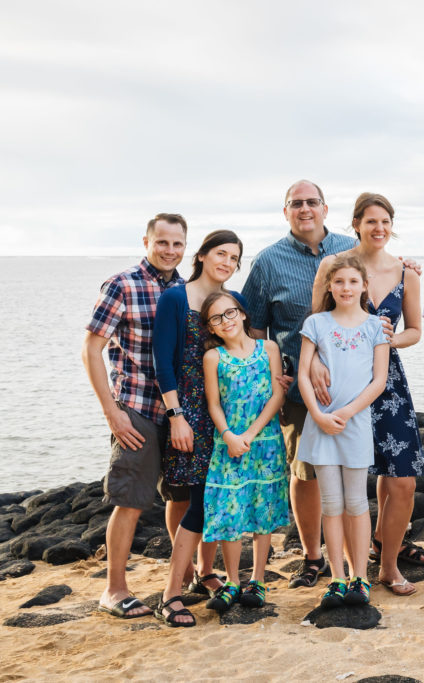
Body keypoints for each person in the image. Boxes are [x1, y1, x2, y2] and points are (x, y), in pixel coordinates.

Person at [312, 193, 424, 597]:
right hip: (340, 383)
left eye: (385, 222)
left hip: (388, 381)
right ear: (356, 224)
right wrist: (313, 366)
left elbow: (416, 329)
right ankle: (349, 572)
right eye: (370, 222)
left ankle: (390, 565)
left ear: (392, 225)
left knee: (401, 482)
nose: (378, 228)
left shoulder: (406, 272)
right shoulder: (334, 266)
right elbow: (315, 321)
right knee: (350, 483)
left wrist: (385, 342)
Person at [242, 180, 356, 589]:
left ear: (326, 207)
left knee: (353, 469)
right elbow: (254, 330)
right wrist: (273, 373)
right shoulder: (268, 261)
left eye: (312, 202)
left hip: (354, 384)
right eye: (296, 204)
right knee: (305, 472)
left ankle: (352, 555)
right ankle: (312, 557)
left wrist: (409, 268)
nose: (304, 209)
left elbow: (381, 285)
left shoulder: (351, 247)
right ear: (285, 212)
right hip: (298, 390)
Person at [83, 213, 187, 618]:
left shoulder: (184, 288)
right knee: (129, 501)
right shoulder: (122, 284)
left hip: (178, 411)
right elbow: (91, 349)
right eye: (162, 243)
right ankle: (114, 589)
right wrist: (111, 411)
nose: (170, 251)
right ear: (146, 242)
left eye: (177, 244)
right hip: (137, 407)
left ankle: (184, 578)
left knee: (179, 497)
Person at [153, 230, 244, 625]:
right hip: (187, 413)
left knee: (212, 501)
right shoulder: (175, 297)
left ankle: (203, 575)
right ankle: (170, 595)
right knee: (196, 502)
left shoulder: (232, 303)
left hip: (224, 416)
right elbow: (163, 363)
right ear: (203, 255)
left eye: (235, 258)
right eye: (221, 253)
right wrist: (176, 417)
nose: (227, 262)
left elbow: (246, 350)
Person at [297, 254, 390, 608]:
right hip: (320, 425)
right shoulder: (317, 323)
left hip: (356, 423)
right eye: (339, 282)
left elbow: (378, 380)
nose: (346, 288)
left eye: (353, 281)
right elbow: (305, 374)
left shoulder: (375, 327)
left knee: (356, 503)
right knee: (331, 504)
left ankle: (360, 578)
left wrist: (348, 411)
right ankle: (336, 577)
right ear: (329, 287)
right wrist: (319, 415)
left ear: (364, 285)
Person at [200, 292, 290, 613]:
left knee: (261, 509)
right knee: (230, 511)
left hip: (265, 443)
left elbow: (278, 394)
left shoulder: (269, 349)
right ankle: (233, 581)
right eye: (216, 318)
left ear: (242, 314)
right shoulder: (214, 357)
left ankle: (258, 580)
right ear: (210, 328)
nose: (226, 321)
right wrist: (229, 435)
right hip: (228, 444)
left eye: (230, 313)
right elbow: (213, 403)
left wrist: (250, 434)